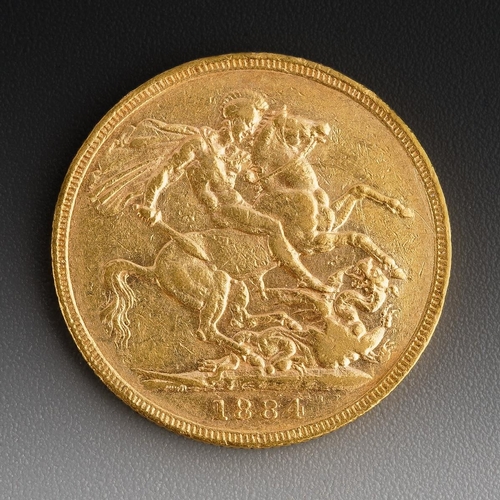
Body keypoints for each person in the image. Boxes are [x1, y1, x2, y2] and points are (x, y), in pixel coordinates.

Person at [135, 90, 331, 293]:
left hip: (239, 205)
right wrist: (149, 203)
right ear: (233, 120)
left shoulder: (234, 152)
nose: (250, 131)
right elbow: (167, 171)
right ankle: (306, 279)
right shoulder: (200, 145)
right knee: (273, 226)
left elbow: (259, 175)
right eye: (248, 124)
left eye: (253, 126)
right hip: (223, 210)